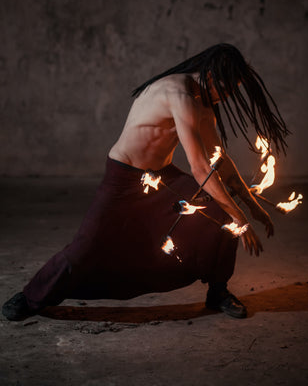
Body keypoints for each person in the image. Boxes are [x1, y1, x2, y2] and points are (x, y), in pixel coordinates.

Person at [2, 43, 289, 321]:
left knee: (218, 208)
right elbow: (201, 169)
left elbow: (219, 161)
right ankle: (30, 297)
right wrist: (240, 219)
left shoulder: (203, 103)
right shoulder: (179, 94)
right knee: (84, 249)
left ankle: (218, 292)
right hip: (124, 178)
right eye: (225, 89)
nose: (225, 97)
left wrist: (252, 207)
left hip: (162, 178)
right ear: (212, 77)